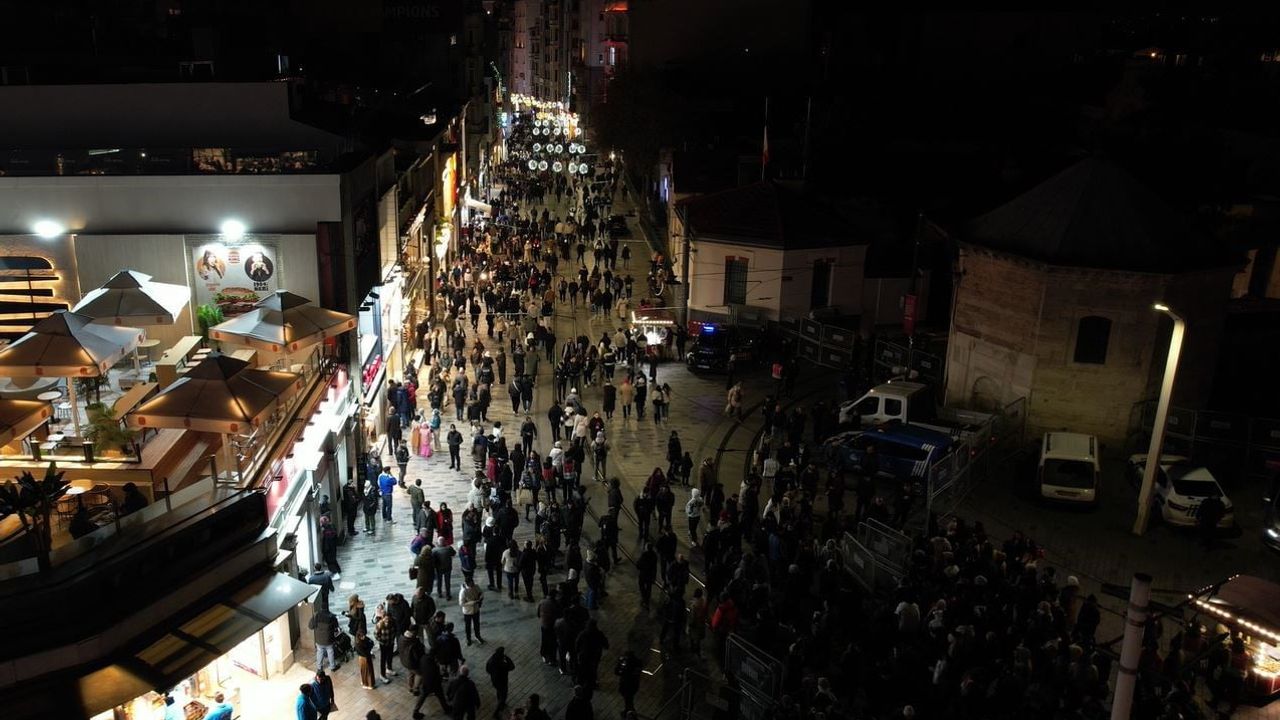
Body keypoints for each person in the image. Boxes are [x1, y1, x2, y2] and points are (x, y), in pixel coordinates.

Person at [485, 646, 516, 716]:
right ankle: (497, 711)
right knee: (503, 696)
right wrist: (507, 658)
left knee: (499, 691)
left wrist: (493, 674)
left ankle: (500, 701)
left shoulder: (491, 660)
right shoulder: (502, 664)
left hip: (495, 681)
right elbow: (512, 667)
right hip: (502, 682)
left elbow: (487, 669)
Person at [309, 605, 339, 671]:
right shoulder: (332, 616)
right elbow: (336, 627)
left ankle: (319, 668)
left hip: (319, 640)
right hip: (329, 639)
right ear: (327, 608)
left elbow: (310, 626)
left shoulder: (316, 615)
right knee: (330, 652)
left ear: (321, 608)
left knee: (320, 652)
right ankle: (332, 667)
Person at [459, 577, 486, 645]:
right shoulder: (463, 591)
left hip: (476, 610)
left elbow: (481, 593)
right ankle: (468, 639)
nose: (473, 584)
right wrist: (473, 602)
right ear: (467, 583)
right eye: (471, 583)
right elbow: (461, 603)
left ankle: (478, 636)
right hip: (468, 612)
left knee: (477, 624)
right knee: (468, 626)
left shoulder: (476, 586)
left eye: (473, 582)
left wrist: (481, 597)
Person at [615, 650, 643, 714]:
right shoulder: (638, 662)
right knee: (629, 699)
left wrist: (619, 663)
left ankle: (630, 712)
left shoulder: (625, 663)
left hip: (626, 684)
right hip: (634, 684)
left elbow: (617, 672)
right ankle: (628, 710)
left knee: (628, 699)